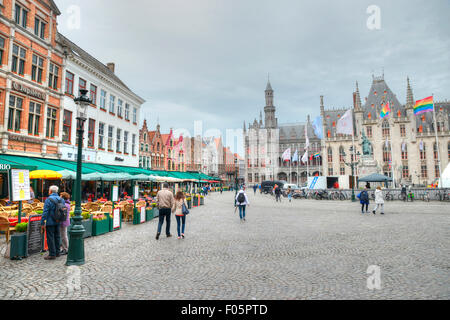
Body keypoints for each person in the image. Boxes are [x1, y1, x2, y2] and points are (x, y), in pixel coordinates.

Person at [41, 185, 63, 260]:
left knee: (50, 238)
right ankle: (57, 252)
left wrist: (42, 222)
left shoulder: (48, 200)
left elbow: (45, 212)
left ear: (50, 191)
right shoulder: (61, 199)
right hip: (58, 220)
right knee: (57, 236)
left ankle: (52, 254)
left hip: (50, 221)